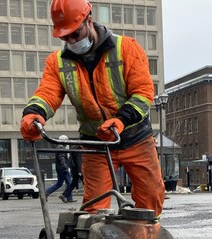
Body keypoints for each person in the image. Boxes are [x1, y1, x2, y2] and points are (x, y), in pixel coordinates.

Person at [20, 0, 165, 217]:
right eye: (65, 37)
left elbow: (143, 93)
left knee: (150, 198)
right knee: (94, 207)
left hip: (135, 138)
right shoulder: (57, 63)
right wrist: (34, 114)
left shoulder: (126, 48)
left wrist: (121, 120)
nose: (71, 40)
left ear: (89, 20)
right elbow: (47, 94)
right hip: (95, 142)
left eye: (75, 34)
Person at [45, 135, 76, 203]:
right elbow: (62, 158)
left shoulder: (59, 147)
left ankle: (47, 193)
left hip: (59, 168)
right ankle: (67, 197)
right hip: (63, 168)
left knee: (59, 183)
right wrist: (65, 167)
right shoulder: (61, 148)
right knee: (69, 183)